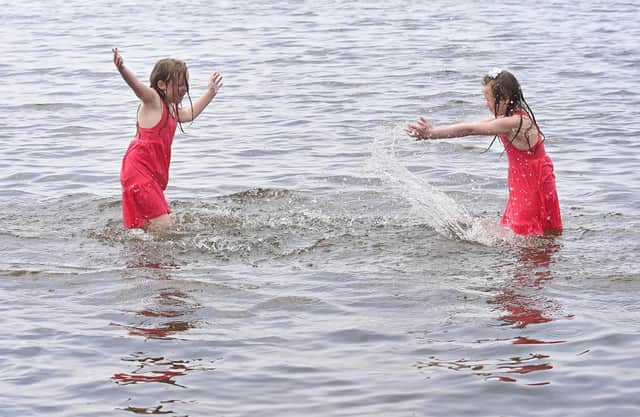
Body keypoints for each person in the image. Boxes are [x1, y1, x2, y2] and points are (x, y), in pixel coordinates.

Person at [405, 69, 562, 236]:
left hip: (533, 178)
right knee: (529, 225)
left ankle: (536, 256)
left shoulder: (516, 121)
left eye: (488, 99)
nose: (486, 104)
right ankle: (542, 251)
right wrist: (436, 131)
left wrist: (432, 133)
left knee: (524, 228)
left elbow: (470, 129)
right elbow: (472, 125)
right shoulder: (508, 119)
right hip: (525, 176)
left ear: (503, 99)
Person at [112, 48, 223, 232]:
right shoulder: (153, 101)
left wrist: (210, 92)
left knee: (148, 227)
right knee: (163, 226)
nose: (184, 89)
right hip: (138, 170)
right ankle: (154, 257)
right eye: (179, 84)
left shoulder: (171, 109)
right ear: (162, 84)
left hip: (149, 175)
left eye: (185, 84)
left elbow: (189, 114)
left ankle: (143, 258)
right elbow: (138, 88)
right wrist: (122, 68)